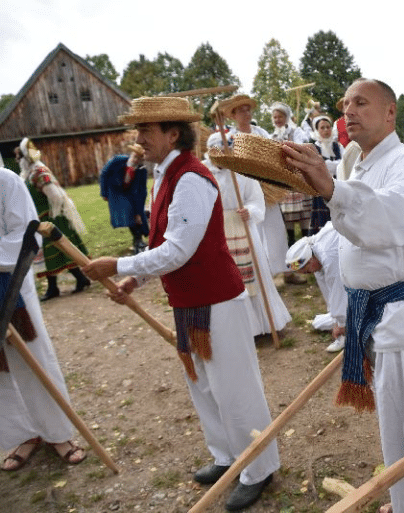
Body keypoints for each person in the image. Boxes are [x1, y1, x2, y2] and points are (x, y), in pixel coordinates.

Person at [81, 96, 279, 511]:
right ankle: (227, 457)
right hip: (189, 300)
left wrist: (116, 263)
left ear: (173, 134)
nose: (138, 139)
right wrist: (135, 277)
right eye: (137, 131)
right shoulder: (165, 175)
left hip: (218, 301)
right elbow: (162, 246)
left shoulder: (191, 178)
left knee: (235, 389)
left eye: (146, 131)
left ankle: (259, 468)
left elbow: (179, 250)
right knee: (203, 385)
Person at [283, 78, 404, 513]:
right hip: (376, 317)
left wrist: (333, 191)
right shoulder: (360, 161)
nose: (348, 110)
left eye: (361, 102)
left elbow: (389, 218)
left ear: (390, 112)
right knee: (393, 429)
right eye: (344, 104)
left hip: (403, 321)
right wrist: (317, 248)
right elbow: (348, 228)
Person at [0, 167, 87, 471]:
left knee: (32, 358)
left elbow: (26, 235)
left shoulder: (6, 181)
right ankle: (24, 434)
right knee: (2, 371)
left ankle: (57, 434)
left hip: (10, 285)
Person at [202, 132, 291, 339]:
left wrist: (249, 210)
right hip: (217, 230)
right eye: (221, 152)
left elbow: (256, 199)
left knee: (254, 277)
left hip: (243, 227)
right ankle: (235, 330)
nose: (226, 155)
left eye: (229, 150)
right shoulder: (203, 173)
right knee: (226, 277)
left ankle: (265, 323)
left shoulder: (242, 171)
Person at [220, 94, 289, 279]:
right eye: (240, 110)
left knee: (275, 229)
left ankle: (284, 270)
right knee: (255, 229)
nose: (246, 113)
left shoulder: (261, 132)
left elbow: (274, 153)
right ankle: (263, 273)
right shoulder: (230, 138)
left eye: (247, 109)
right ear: (233, 115)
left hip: (268, 187)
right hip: (247, 189)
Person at [15, 139, 90, 301]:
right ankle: (56, 286)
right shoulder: (30, 173)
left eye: (18, 158)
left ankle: (78, 279)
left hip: (52, 219)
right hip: (43, 221)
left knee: (62, 249)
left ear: (24, 158)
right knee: (53, 253)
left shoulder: (38, 173)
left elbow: (55, 196)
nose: (18, 162)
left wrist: (51, 214)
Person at [285, 222, 346, 352]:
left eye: (307, 271)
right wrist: (336, 318)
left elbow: (338, 290)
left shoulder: (328, 257)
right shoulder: (315, 255)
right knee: (319, 323)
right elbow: (329, 294)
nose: (310, 273)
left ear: (309, 259)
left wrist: (341, 324)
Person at [270, 102, 312, 253]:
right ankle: (292, 248)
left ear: (286, 117)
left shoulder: (296, 131)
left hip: (298, 175)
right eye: (275, 117)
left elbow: (301, 147)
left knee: (304, 214)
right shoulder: (272, 136)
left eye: (280, 116)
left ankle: (307, 249)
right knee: (287, 215)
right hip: (283, 178)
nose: (277, 119)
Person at [99, 144, 150, 254]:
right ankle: (138, 239)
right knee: (127, 213)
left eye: (140, 159)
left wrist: (138, 212)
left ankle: (139, 240)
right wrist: (104, 193)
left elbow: (142, 191)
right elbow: (104, 174)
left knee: (138, 214)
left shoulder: (142, 170)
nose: (136, 160)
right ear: (131, 155)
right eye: (135, 157)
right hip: (116, 191)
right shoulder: (117, 160)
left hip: (132, 193)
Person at [309, 115, 343, 234]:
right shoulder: (314, 148)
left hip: (337, 186)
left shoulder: (338, 146)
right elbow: (317, 166)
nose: (325, 130)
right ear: (317, 130)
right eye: (322, 128)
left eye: (328, 127)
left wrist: (326, 165)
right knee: (322, 219)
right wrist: (333, 165)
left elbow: (343, 164)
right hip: (320, 188)